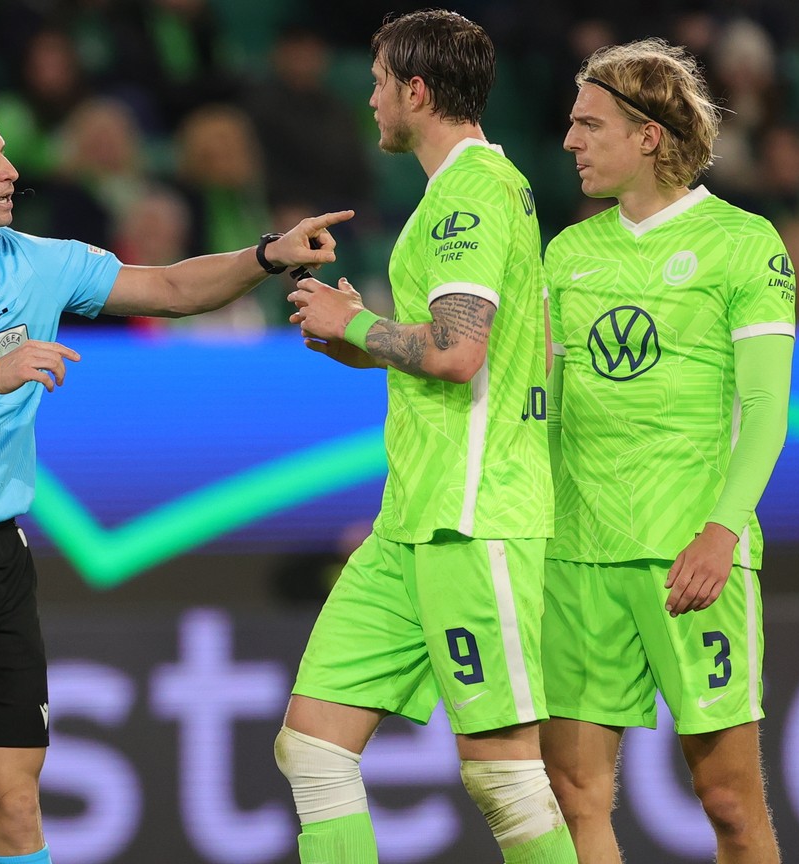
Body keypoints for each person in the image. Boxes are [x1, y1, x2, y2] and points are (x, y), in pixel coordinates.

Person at [0, 97, 347, 864]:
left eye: (5, 152)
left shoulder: (40, 261)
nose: (11, 169)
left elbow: (170, 289)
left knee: (16, 804)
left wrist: (266, 256)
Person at [281, 10, 578, 864]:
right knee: (313, 745)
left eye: (378, 82)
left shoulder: (471, 192)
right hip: (412, 518)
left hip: (475, 516)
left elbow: (455, 351)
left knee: (504, 775)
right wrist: (358, 345)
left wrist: (359, 319)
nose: (369, 99)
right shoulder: (456, 194)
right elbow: (461, 357)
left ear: (415, 89)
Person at [539, 39, 791, 864]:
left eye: (588, 123)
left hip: (690, 558)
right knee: (573, 797)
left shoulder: (742, 243)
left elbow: (765, 411)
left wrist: (722, 532)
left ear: (648, 134)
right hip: (578, 558)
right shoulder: (568, 254)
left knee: (727, 803)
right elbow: (538, 409)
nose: (570, 140)